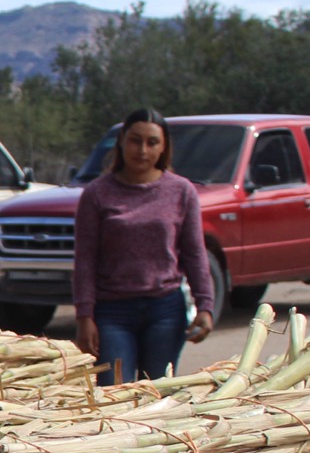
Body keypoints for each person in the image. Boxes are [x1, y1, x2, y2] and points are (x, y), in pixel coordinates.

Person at [72, 108, 215, 384]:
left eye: (152, 142)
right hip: (112, 312)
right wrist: (84, 315)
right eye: (135, 140)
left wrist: (205, 306)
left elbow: (195, 253)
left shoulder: (181, 191)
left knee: (157, 390)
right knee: (115, 394)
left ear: (164, 147)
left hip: (165, 310)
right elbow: (85, 259)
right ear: (122, 141)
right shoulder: (97, 193)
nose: (143, 150)